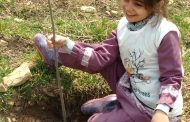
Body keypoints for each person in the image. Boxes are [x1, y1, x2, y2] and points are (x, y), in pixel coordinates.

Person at [33, 0, 184, 121]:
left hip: (151, 109)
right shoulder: (124, 25)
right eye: (126, 0)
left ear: (157, 4)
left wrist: (162, 110)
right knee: (101, 53)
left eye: (138, 4)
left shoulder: (164, 33)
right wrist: (68, 45)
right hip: (131, 87)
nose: (129, 8)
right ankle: (57, 54)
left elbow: (172, 77)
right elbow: (100, 58)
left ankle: (118, 106)